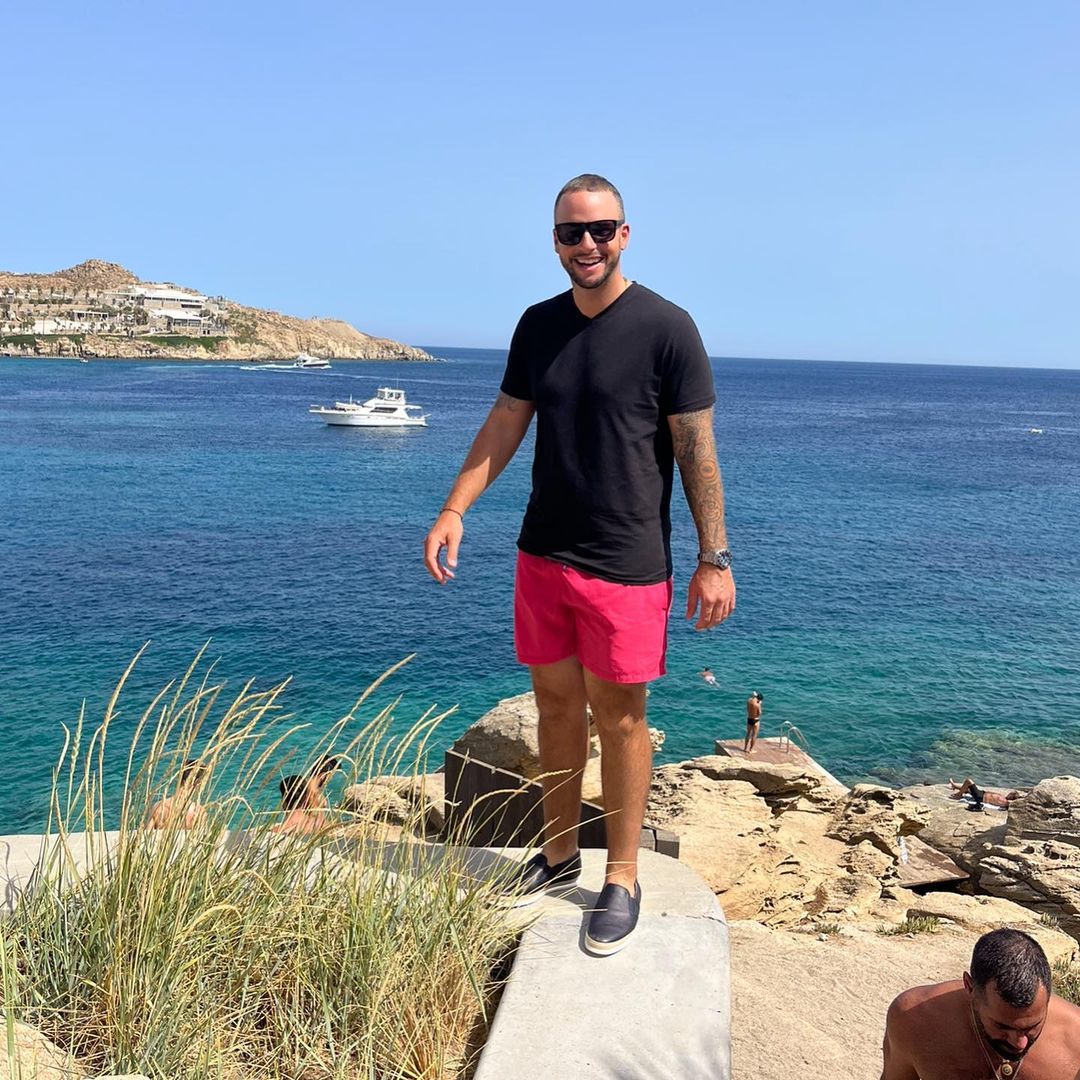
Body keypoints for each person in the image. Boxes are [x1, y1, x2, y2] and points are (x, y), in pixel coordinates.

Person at [423, 174, 735, 956]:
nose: (587, 245)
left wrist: (714, 558)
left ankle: (621, 876)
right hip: (543, 554)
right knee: (555, 709)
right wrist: (456, 507)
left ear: (624, 235)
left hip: (627, 564)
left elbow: (697, 451)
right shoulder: (539, 325)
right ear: (555, 241)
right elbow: (507, 419)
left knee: (621, 719)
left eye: (601, 230)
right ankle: (558, 854)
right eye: (572, 233)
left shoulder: (668, 329)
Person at [881, 927, 1080, 1078]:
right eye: (1002, 1026)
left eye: (1032, 1027)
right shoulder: (915, 1018)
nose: (1019, 1043)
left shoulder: (1076, 1038)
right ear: (970, 987)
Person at [271, 755, 339, 836]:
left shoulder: (307, 785)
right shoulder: (312, 791)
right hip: (316, 828)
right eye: (331, 775)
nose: (331, 778)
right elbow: (316, 816)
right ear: (326, 774)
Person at [146, 758, 208, 830]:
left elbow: (146, 833)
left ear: (179, 777)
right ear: (198, 783)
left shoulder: (158, 807)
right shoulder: (199, 813)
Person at [950, 777, 1026, 810]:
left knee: (968, 781)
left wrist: (1019, 799)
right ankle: (954, 786)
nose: (1009, 793)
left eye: (1011, 794)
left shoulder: (1006, 802)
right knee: (968, 789)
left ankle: (959, 795)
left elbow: (1014, 804)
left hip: (980, 797)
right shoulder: (1004, 798)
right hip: (982, 794)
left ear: (1012, 797)